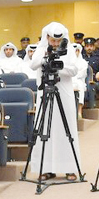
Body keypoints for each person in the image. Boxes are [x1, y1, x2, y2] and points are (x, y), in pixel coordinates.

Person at [26, 22, 83, 183]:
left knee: (66, 130)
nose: (56, 44)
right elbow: (33, 65)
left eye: (58, 41)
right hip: (46, 91)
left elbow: (74, 70)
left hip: (63, 93)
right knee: (45, 129)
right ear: (47, 37)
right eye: (53, 40)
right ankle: (46, 169)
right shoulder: (42, 48)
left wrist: (58, 67)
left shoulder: (68, 49)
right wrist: (45, 57)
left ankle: (70, 168)